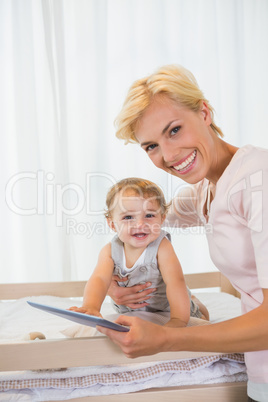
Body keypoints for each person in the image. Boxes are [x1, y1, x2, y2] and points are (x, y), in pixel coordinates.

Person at [96, 65, 268, 402]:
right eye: (151, 146)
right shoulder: (205, 188)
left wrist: (167, 337)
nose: (169, 156)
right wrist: (116, 283)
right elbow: (144, 223)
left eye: (174, 130)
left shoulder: (257, 179)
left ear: (204, 112)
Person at [69, 177, 209, 327]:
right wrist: (91, 307)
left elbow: (176, 282)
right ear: (112, 224)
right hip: (130, 311)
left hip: (167, 309)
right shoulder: (110, 251)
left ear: (162, 219)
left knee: (202, 317)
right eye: (128, 217)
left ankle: (195, 301)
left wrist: (178, 320)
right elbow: (99, 279)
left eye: (149, 215)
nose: (140, 224)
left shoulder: (162, 247)